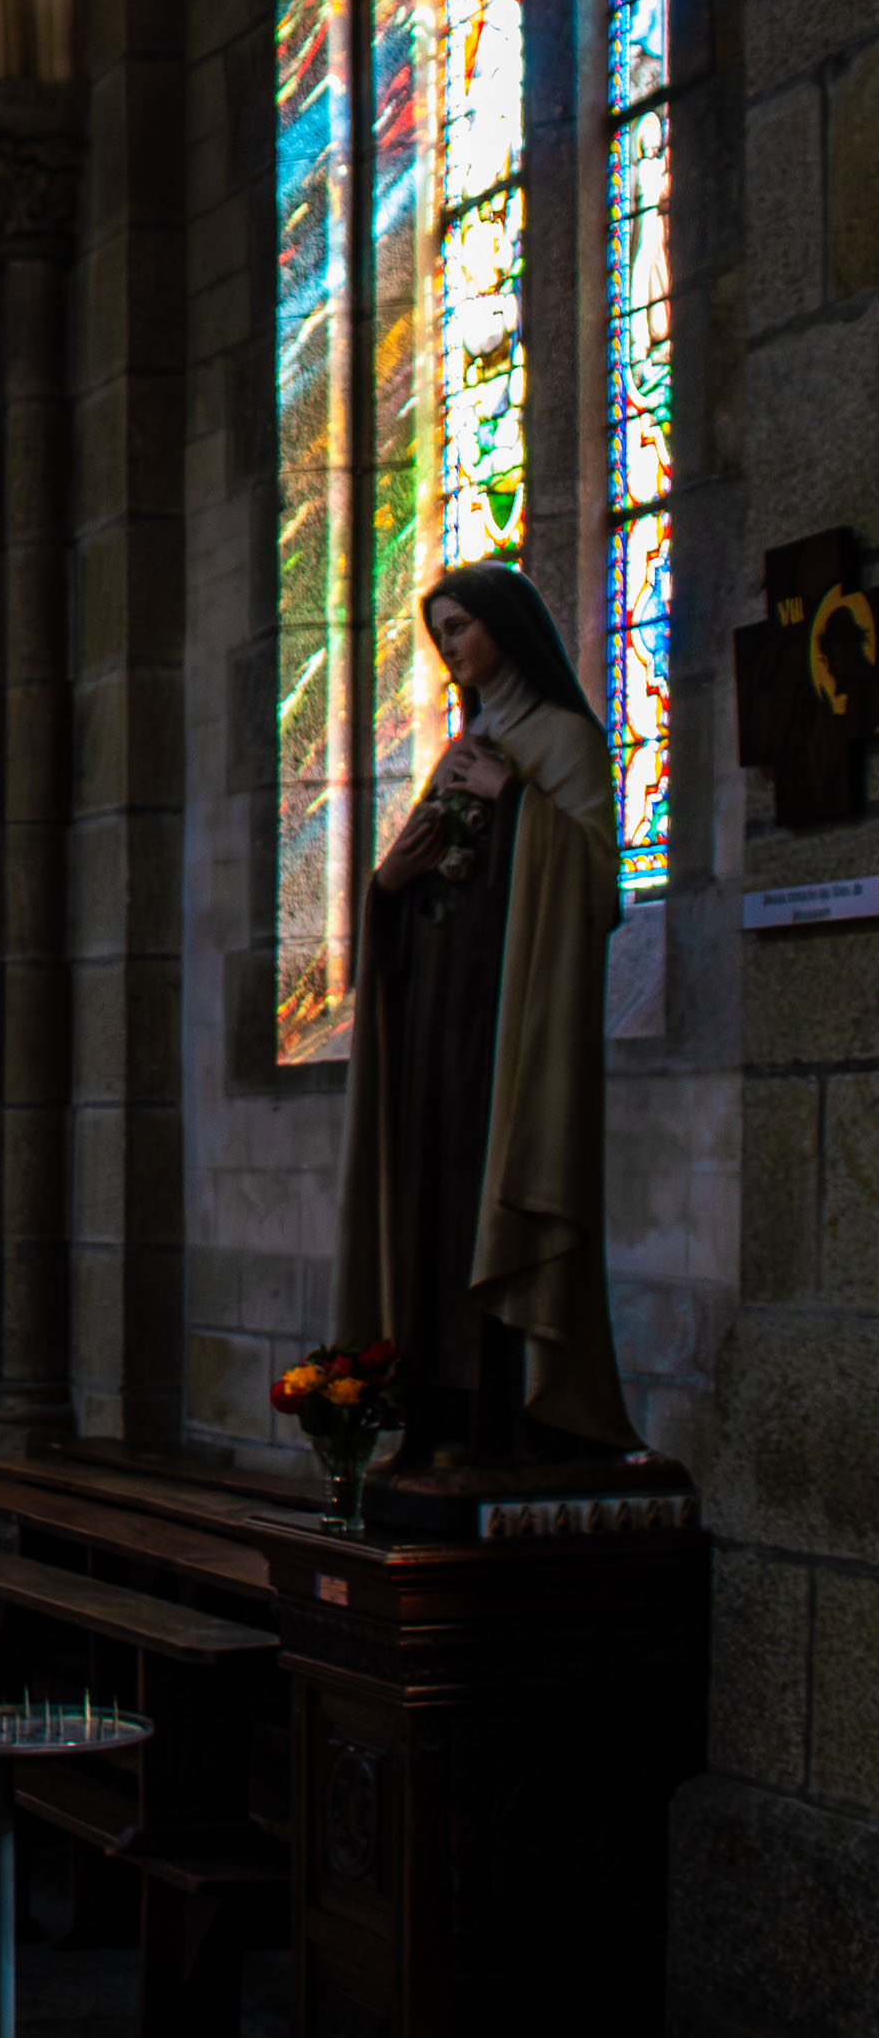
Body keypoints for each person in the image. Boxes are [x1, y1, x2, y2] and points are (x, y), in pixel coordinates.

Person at [335, 560, 636, 1460]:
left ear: (508, 624)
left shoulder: (565, 739)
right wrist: (388, 888)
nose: (449, 649)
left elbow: (595, 883)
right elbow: (423, 878)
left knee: (490, 1199)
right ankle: (437, 1417)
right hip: (437, 1020)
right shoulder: (464, 746)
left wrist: (515, 801)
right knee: (432, 1205)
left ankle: (507, 1424)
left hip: (509, 1029)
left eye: (460, 626)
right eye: (439, 635)